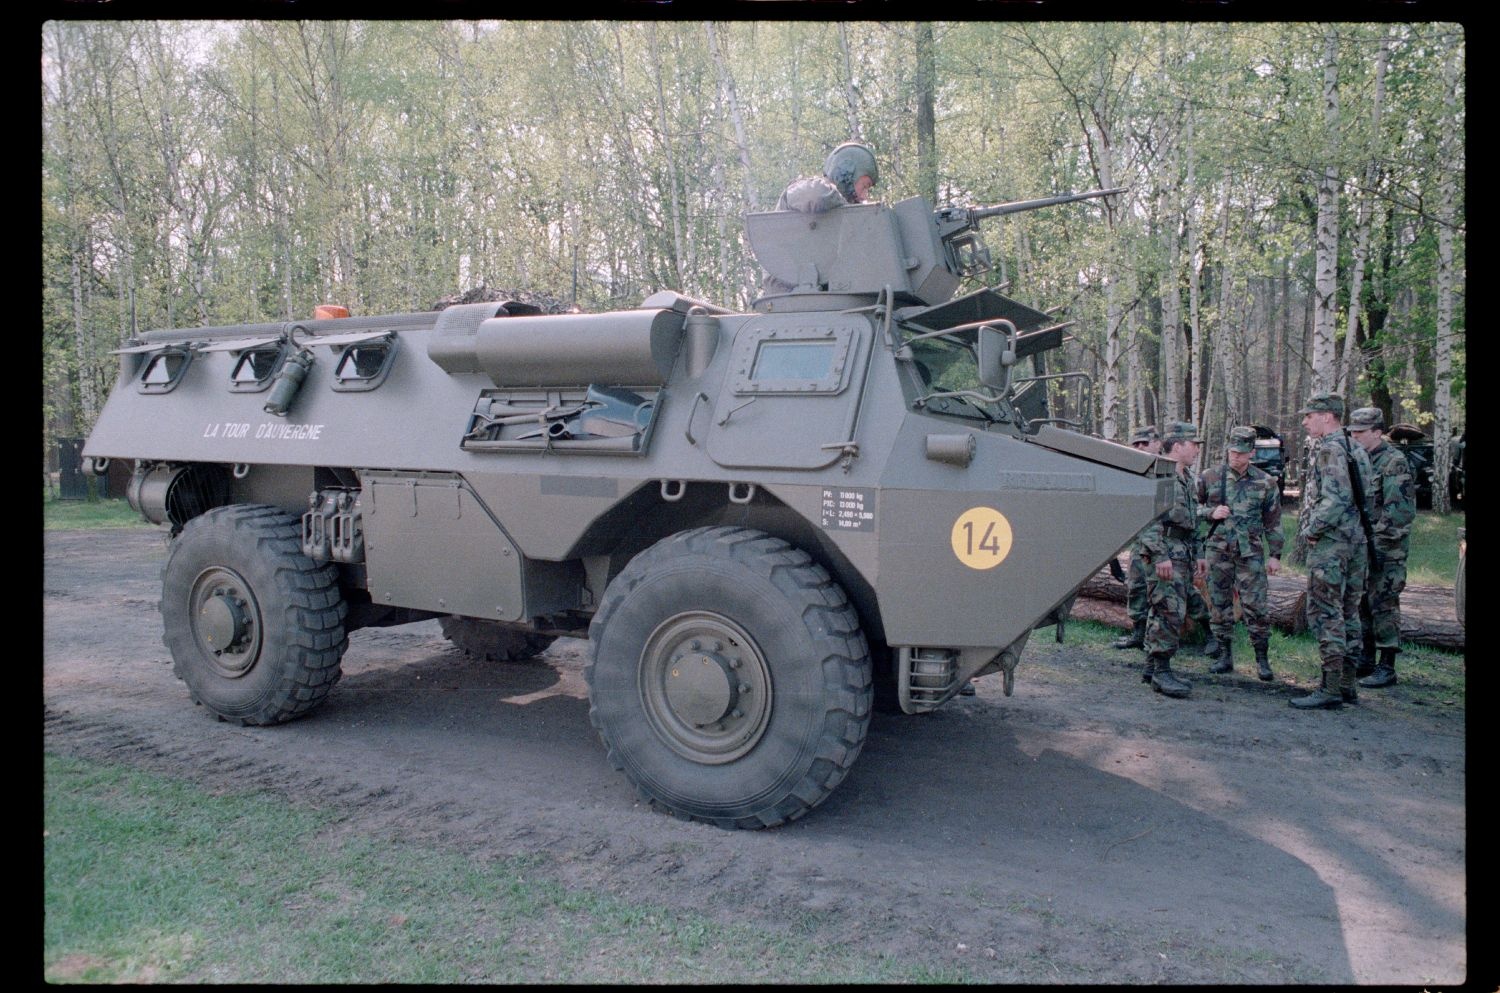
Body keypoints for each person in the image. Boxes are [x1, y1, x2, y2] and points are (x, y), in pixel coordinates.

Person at [1291, 392, 1374, 710]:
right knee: (1349, 612)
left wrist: (1312, 530)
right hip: (1356, 543)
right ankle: (1348, 684)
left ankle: (1330, 687)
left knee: (1326, 613)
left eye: (1309, 415)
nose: (1305, 421)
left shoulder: (1329, 448)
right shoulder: (1357, 448)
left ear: (1327, 416)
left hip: (1333, 545)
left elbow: (1336, 498)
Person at [1196, 426, 1284, 681]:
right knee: (1219, 604)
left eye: (1242, 453)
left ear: (1252, 453)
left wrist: (1275, 555)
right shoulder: (1210, 477)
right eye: (1233, 452)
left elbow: (1274, 521)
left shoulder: (1265, 482)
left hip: (1250, 553)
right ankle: (1224, 655)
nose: (1236, 457)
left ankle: (1262, 660)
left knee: (1256, 607)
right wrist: (1209, 513)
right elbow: (1193, 509)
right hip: (1218, 551)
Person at [1136, 421, 1207, 699]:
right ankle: (1161, 672)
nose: (1196, 450)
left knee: (1164, 608)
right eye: (1193, 445)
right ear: (1177, 446)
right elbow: (1148, 516)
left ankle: (1152, 666)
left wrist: (1199, 553)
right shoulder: (1161, 475)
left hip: (1182, 550)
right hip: (1164, 551)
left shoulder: (1186, 477)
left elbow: (1192, 520)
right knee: (1169, 611)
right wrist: (1160, 555)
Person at [1348, 407, 1416, 689]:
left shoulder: (1393, 462)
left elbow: (1399, 513)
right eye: (1352, 432)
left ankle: (1387, 665)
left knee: (1384, 603)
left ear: (1377, 432)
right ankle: (1367, 657)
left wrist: (1376, 541)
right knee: (1362, 601)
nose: (1354, 437)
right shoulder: (1360, 461)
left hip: (1386, 549)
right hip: (1363, 545)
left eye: (1360, 432)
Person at [1112, 426, 1161, 650]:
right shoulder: (1130, 472)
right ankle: (1139, 634)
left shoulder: (1166, 470)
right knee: (1137, 589)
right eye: (1136, 444)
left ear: (1157, 443)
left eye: (1145, 443)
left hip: (1164, 545)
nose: (1140, 447)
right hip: (1140, 545)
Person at [774, 140, 879, 213]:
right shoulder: (802, 189)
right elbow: (815, 195)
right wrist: (846, 205)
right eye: (865, 186)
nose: (864, 196)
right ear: (847, 173)